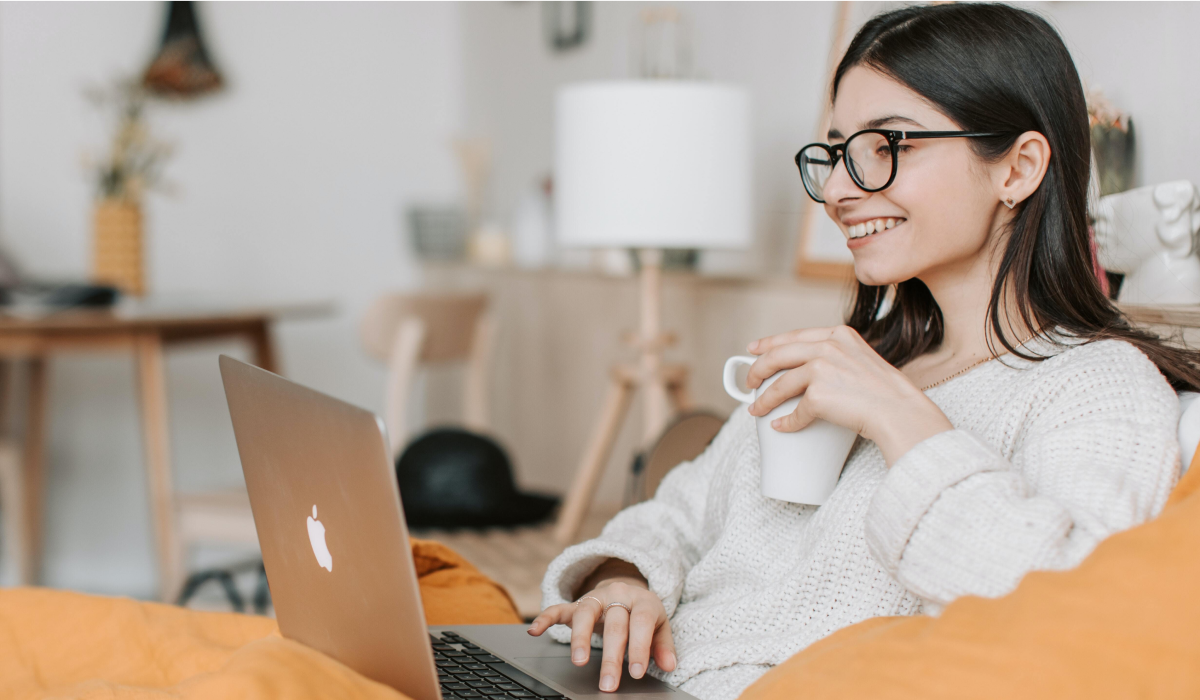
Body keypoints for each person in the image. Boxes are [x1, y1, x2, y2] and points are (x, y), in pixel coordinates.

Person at [528, 5, 1198, 699]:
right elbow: (679, 513)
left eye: (889, 147)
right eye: (839, 152)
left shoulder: (1094, 386)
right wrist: (623, 582)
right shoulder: (856, 357)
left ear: (1019, 168)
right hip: (638, 678)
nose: (842, 190)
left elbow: (1072, 610)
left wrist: (900, 418)